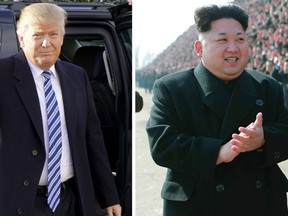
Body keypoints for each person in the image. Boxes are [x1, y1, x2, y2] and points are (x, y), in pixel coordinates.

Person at [146, 4, 288, 216]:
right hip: (197, 205)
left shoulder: (268, 87)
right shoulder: (172, 88)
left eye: (240, 39)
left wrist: (263, 140)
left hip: (261, 203)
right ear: (199, 48)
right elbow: (162, 145)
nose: (233, 47)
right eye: (222, 40)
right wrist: (216, 153)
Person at [0, 3, 121, 216]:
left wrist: (109, 197)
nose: (46, 43)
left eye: (53, 34)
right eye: (37, 35)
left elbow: (92, 140)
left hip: (70, 200)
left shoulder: (77, 76)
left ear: (62, 38)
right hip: (20, 202)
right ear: (22, 39)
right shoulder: (3, 75)